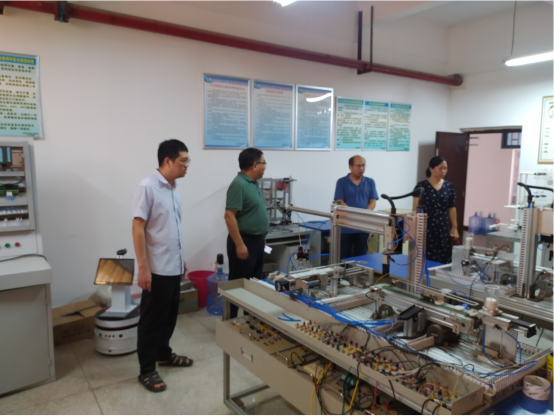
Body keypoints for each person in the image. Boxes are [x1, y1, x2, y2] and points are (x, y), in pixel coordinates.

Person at [132, 139, 193, 393]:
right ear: (167, 161)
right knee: (151, 321)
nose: (187, 165)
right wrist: (143, 267)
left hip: (173, 265)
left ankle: (163, 354)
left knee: (169, 316)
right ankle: (146, 370)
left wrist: (181, 257)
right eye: (183, 161)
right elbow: (138, 227)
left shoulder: (174, 187)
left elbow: (171, 227)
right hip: (156, 269)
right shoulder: (147, 187)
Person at [224, 148, 269, 318]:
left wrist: (262, 238)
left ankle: (250, 320)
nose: (265, 167)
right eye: (264, 163)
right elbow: (229, 216)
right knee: (238, 286)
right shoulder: (239, 184)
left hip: (257, 242)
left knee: (254, 285)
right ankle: (230, 321)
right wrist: (240, 244)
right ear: (255, 165)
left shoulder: (254, 184)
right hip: (244, 242)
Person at [412, 156, 459, 264]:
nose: (443, 171)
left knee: (443, 255)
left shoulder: (449, 186)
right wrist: (414, 228)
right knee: (425, 256)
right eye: (440, 168)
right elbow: (415, 209)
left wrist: (454, 227)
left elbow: (452, 207)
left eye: (445, 168)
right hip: (425, 226)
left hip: (443, 226)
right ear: (431, 169)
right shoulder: (421, 186)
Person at [334, 155, 379, 260]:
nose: (361, 168)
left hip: (363, 228)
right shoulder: (342, 182)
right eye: (358, 166)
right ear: (350, 167)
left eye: (363, 165)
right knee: (343, 259)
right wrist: (354, 215)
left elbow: (373, 201)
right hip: (345, 228)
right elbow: (340, 201)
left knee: (362, 258)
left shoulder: (370, 182)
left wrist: (364, 214)